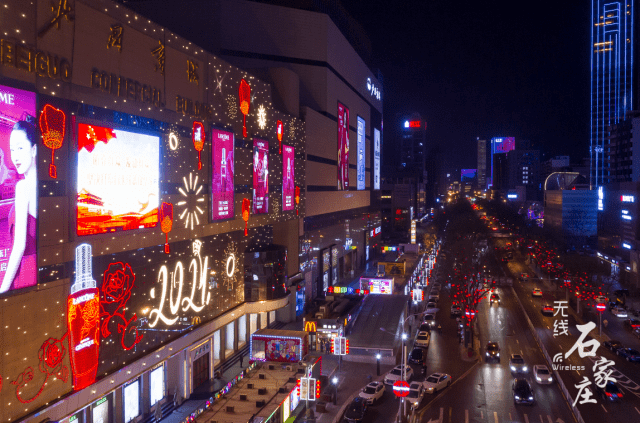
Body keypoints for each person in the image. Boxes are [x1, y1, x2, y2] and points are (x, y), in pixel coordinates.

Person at [0, 119, 37, 294]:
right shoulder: (44, 187)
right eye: (12, 149)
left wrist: (3, 289)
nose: (15, 156)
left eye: (20, 147)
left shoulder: (23, 187)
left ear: (34, 149)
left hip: (26, 270)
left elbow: (19, 246)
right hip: (38, 269)